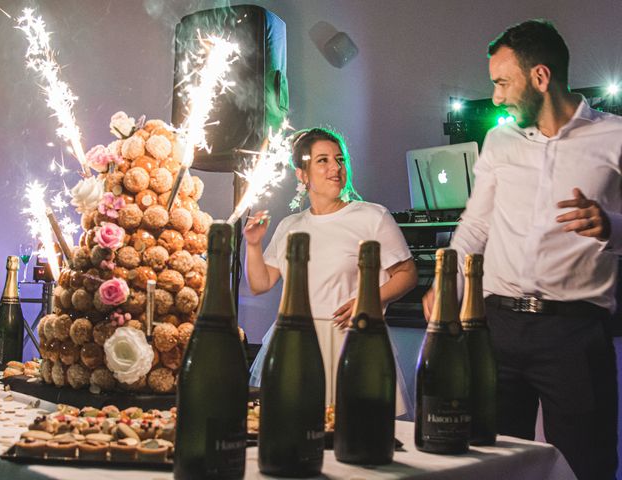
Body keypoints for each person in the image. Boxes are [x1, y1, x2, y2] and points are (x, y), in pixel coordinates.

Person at [423, 19, 622, 480]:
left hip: (574, 334)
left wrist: (609, 225)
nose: (495, 97)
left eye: (501, 82)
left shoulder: (615, 137)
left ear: (540, 77)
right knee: (485, 462)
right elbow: (476, 223)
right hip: (495, 327)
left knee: (585, 465)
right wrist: (446, 281)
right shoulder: (499, 140)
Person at [244, 127, 418, 413]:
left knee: (354, 435)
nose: (335, 168)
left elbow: (407, 274)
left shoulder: (372, 216)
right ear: (303, 174)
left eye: (340, 160)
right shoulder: (290, 225)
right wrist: (253, 245)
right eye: (323, 160)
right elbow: (261, 283)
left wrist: (368, 301)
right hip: (296, 343)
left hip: (351, 340)